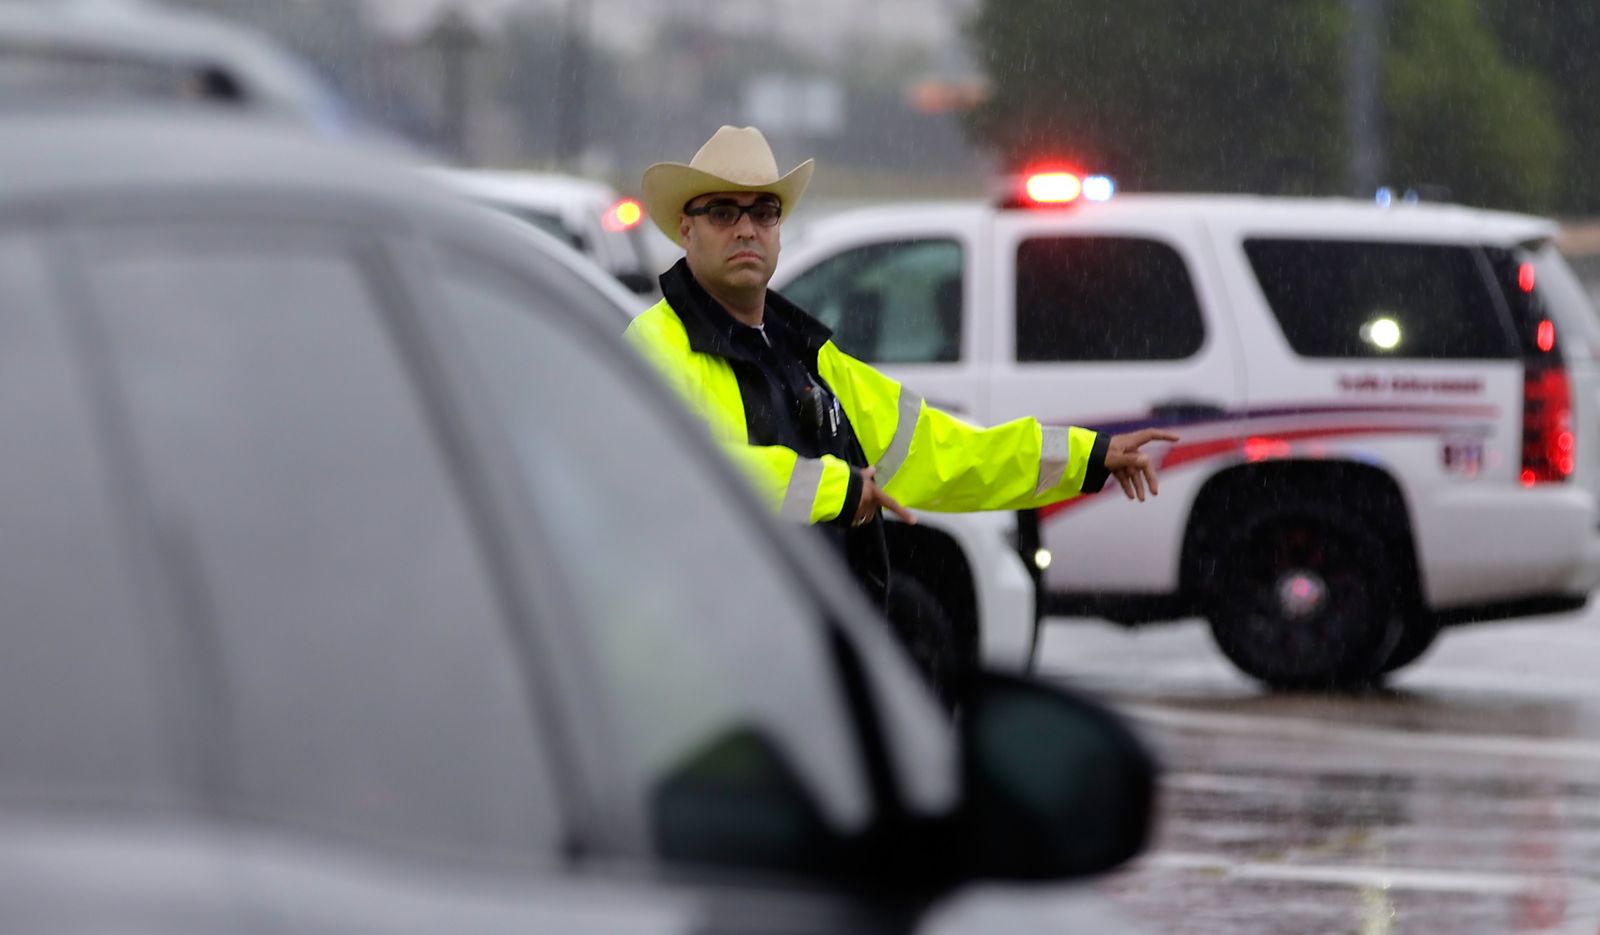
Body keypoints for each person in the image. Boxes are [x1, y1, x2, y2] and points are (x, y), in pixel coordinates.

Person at [624, 126, 1177, 685]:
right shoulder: (652, 347)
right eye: (723, 212)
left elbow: (948, 452)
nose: (746, 228)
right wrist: (833, 490)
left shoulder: (811, 359)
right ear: (685, 230)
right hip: (700, 684)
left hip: (813, 679)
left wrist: (1089, 454)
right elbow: (678, 478)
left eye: (764, 212)